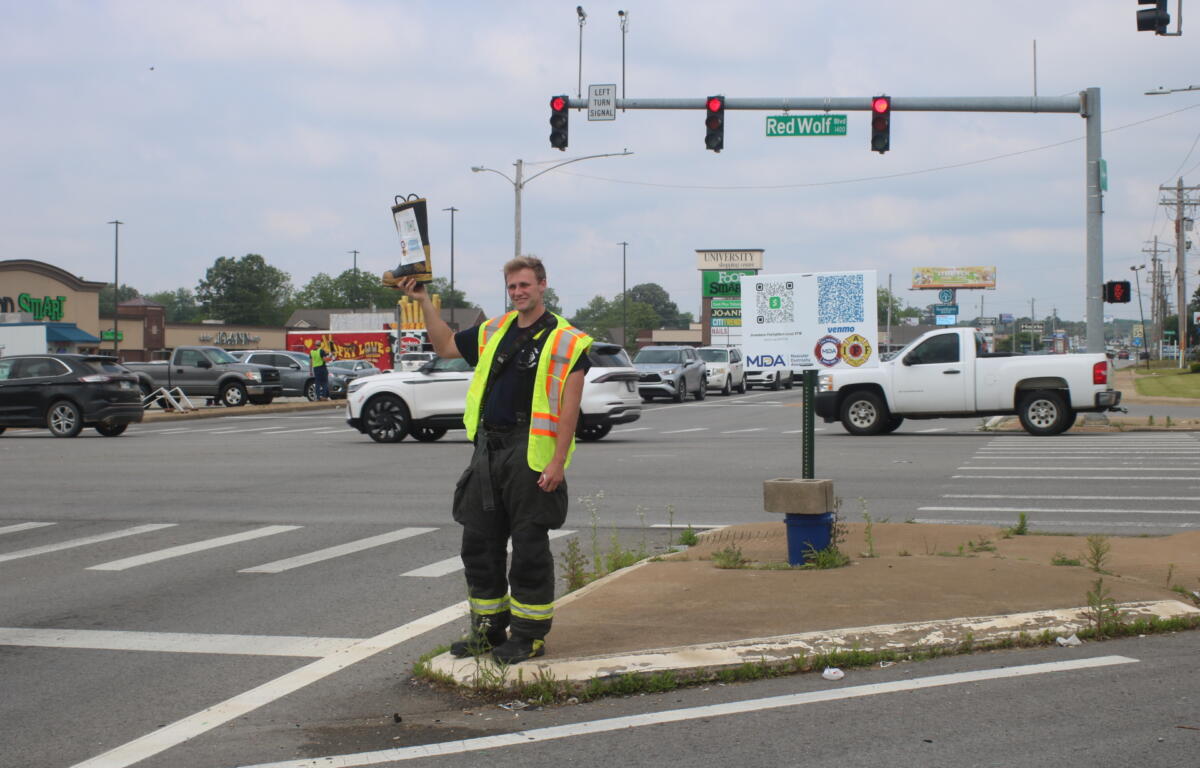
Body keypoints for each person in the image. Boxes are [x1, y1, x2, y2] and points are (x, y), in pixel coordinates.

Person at [395, 257, 592, 664]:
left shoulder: (567, 341)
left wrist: (557, 463)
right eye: (512, 286)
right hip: (487, 450)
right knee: (478, 545)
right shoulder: (494, 330)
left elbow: (570, 409)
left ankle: (528, 635)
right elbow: (446, 346)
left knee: (529, 549)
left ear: (542, 284)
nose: (518, 292)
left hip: (530, 455)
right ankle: (487, 630)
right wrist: (425, 303)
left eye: (525, 285)